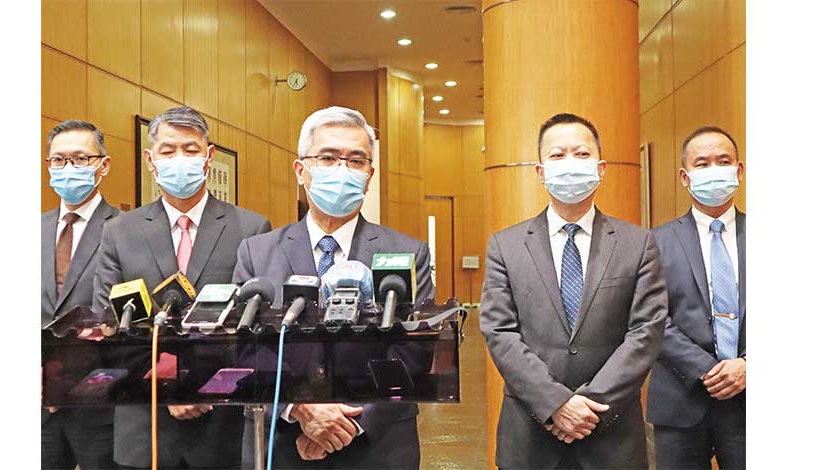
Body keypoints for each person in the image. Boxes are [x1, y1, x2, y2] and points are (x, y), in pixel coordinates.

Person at [233, 106, 434, 469]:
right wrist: (301, 408)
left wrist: (348, 424)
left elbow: (413, 352)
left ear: (369, 176)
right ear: (301, 170)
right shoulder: (257, 252)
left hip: (377, 447)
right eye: (327, 158)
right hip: (281, 444)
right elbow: (244, 346)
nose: (342, 170)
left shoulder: (407, 253)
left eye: (356, 160)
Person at [479, 113, 668, 469]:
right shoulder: (506, 245)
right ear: (540, 171)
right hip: (530, 438)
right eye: (557, 154)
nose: (569, 163)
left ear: (601, 168)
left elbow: (646, 331)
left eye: (581, 154)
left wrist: (588, 408)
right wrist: (555, 404)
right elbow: (499, 332)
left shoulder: (638, 244)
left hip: (611, 437)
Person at [93, 106, 271, 469]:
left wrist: (198, 386)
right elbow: (108, 323)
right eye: (168, 150)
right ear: (150, 160)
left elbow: (252, 329)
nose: (180, 159)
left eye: (190, 150)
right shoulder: (119, 232)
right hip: (145, 428)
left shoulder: (250, 230)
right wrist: (168, 388)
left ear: (209, 156)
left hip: (222, 428)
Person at [647, 126, 746, 469]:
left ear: (739, 170)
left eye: (723, 161)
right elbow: (652, 318)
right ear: (684, 177)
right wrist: (708, 370)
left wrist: (748, 365)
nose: (714, 170)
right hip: (680, 401)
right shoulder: (654, 242)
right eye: (702, 164)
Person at [42, 119, 119, 470]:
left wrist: (66, 382)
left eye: (80, 158)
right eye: (59, 160)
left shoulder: (126, 231)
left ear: (103, 165)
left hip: (100, 404)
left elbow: (123, 318)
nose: (68, 168)